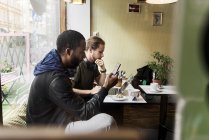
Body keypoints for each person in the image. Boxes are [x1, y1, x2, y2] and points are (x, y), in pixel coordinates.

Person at [26, 30, 118, 133]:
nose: (84, 56)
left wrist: (103, 74)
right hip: (46, 130)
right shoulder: (56, 79)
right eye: (82, 52)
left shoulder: (56, 69)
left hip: (58, 119)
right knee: (107, 122)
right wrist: (105, 88)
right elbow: (85, 112)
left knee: (101, 116)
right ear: (68, 52)